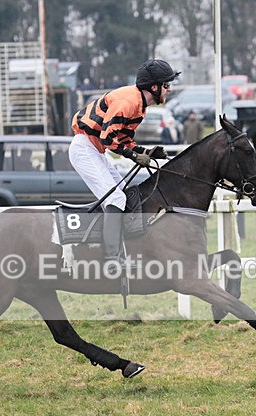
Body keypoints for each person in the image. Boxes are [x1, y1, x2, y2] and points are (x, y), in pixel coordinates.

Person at [70, 58, 180, 274]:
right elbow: (107, 137)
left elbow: (124, 141)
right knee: (116, 198)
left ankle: (121, 249)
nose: (169, 89)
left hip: (94, 149)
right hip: (85, 148)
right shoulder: (128, 103)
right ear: (154, 87)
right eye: (166, 85)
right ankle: (111, 259)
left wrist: (144, 152)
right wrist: (133, 155)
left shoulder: (140, 106)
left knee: (122, 193)